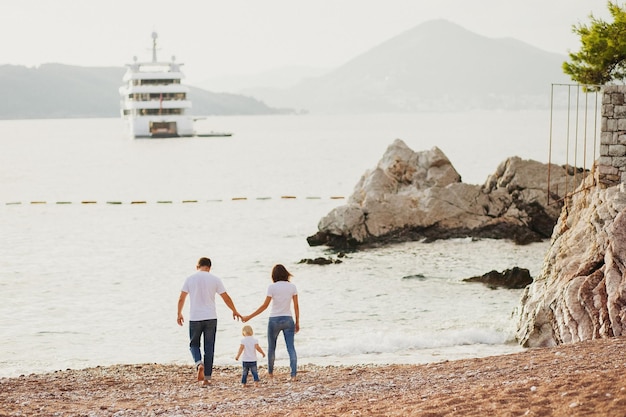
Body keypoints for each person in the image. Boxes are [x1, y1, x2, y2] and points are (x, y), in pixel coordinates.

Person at [177, 257, 241, 386]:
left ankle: (198, 363)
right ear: (209, 267)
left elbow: (181, 298)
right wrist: (234, 310)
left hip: (195, 317)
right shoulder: (215, 279)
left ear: (197, 266)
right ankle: (207, 378)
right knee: (209, 347)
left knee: (194, 344)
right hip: (211, 317)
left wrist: (179, 313)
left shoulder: (190, 279)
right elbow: (226, 297)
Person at [243, 264, 299, 381]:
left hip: (274, 319)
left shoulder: (272, 287)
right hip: (288, 319)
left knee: (271, 348)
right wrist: (297, 322)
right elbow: (296, 306)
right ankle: (293, 375)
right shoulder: (292, 287)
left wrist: (249, 316)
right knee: (291, 348)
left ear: (274, 275)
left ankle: (270, 373)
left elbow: (265, 306)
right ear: (285, 273)